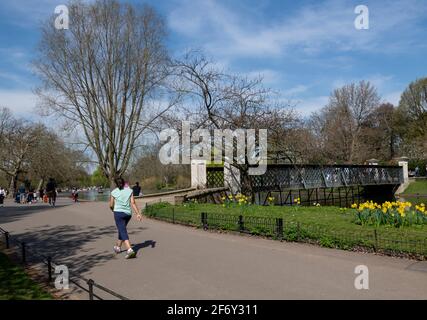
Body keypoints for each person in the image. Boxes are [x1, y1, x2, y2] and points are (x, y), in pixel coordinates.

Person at [109, 177, 142, 259]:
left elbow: (111, 205)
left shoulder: (114, 192)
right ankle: (118, 247)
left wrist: (113, 210)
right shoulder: (130, 190)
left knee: (122, 230)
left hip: (118, 213)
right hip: (128, 214)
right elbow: (133, 202)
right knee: (122, 229)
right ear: (124, 183)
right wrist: (138, 213)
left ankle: (130, 250)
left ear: (116, 184)